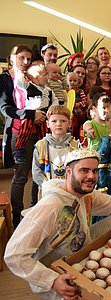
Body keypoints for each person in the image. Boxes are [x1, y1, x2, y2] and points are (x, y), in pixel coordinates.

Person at [4, 147, 111, 299]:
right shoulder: (50, 206)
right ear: (68, 172)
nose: (91, 176)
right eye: (84, 170)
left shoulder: (84, 195)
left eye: (94, 171)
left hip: (77, 256)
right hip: (54, 269)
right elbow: (14, 255)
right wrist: (52, 280)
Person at [0, 45, 42, 228]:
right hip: (19, 132)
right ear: (11, 58)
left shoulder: (31, 76)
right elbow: (5, 109)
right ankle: (17, 219)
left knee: (39, 173)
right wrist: (32, 115)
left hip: (38, 131)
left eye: (29, 59)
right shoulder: (4, 79)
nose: (25, 62)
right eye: (21, 58)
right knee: (21, 175)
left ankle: (34, 211)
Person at [32, 105, 80, 202]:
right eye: (54, 121)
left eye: (63, 121)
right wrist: (49, 187)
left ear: (70, 123)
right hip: (48, 193)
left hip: (70, 193)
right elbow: (36, 172)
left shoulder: (76, 146)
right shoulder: (40, 146)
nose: (58, 124)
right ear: (47, 124)